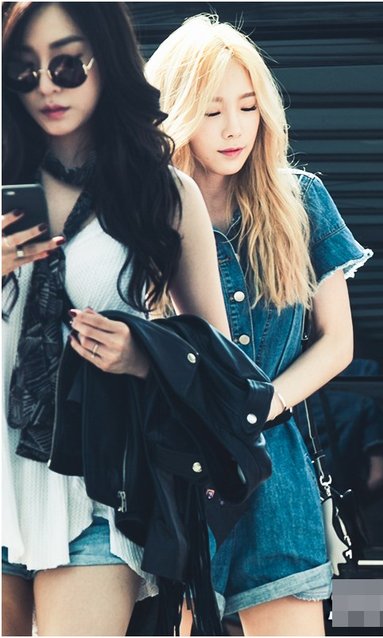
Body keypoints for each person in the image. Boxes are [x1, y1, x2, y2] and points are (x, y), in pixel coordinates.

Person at [2, 3, 231, 636]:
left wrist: (143, 355)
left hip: (99, 491)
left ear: (106, 61)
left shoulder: (163, 193)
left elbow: (216, 359)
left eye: (66, 65)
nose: (46, 86)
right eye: (23, 70)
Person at [146, 14, 373, 637]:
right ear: (175, 113)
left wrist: (259, 405)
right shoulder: (145, 208)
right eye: (212, 110)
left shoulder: (299, 199)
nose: (234, 127)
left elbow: (337, 342)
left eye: (248, 107)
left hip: (276, 473)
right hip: (174, 473)